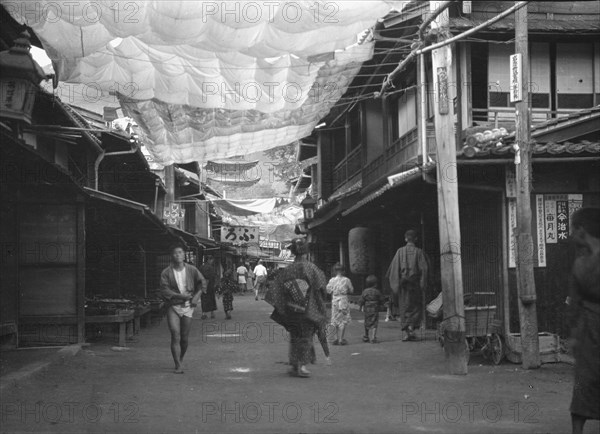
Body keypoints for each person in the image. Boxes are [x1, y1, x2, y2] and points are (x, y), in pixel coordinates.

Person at [265, 237, 328, 378]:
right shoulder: (312, 268)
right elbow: (321, 287)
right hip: (308, 308)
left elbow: (277, 290)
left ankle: (294, 365)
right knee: (306, 337)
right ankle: (302, 366)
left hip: (291, 309)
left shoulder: (288, 269)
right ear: (306, 251)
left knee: (295, 336)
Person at [567, 208, 600, 434]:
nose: (570, 234)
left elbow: (574, 302)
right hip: (588, 327)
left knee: (584, 381)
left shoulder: (581, 263)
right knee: (585, 380)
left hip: (588, 327)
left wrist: (573, 334)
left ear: (581, 230)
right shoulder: (581, 261)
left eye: (572, 228)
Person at [159, 244, 207, 374]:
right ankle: (177, 364)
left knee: (184, 337)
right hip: (173, 306)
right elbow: (164, 289)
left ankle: (180, 358)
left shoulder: (191, 269)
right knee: (175, 334)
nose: (178, 255)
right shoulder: (166, 272)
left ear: (184, 254)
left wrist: (197, 296)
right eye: (175, 253)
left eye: (180, 252)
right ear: (171, 256)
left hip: (188, 307)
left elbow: (203, 282)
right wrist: (180, 296)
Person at [386, 229, 429, 341]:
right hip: (415, 285)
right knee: (415, 307)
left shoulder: (400, 251)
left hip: (403, 285)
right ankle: (411, 329)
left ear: (405, 239)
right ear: (416, 239)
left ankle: (407, 333)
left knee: (404, 307)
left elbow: (393, 270)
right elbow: (424, 269)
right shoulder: (419, 252)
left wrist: (395, 285)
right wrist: (422, 284)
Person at [326, 263, 353, 346]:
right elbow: (351, 290)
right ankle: (341, 339)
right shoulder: (346, 280)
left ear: (334, 271)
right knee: (343, 319)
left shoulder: (332, 280)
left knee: (335, 319)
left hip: (335, 301)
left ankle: (335, 339)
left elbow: (328, 290)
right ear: (343, 271)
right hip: (343, 300)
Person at [359, 275, 385, 343]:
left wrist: (360, 307)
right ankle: (373, 337)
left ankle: (366, 336)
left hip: (367, 309)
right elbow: (381, 299)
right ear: (375, 284)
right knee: (374, 322)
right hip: (375, 308)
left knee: (367, 322)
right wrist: (382, 305)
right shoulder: (377, 291)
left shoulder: (365, 291)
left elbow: (361, 300)